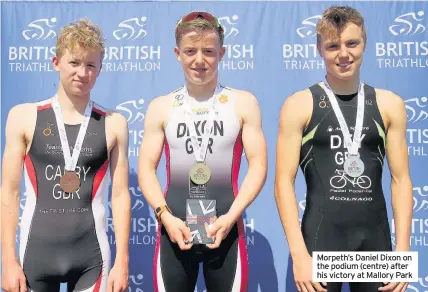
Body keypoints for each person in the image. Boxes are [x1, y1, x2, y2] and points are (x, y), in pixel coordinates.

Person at [274, 6, 412, 292]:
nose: (344, 54)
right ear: (319, 49)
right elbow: (283, 183)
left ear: (364, 43)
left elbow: (401, 180)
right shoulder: (299, 105)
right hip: (320, 241)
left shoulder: (390, 104)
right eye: (333, 46)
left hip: (375, 243)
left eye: (352, 43)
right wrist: (299, 255)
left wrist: (403, 251)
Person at [138, 11, 267, 292]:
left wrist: (231, 217)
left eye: (208, 51)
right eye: (190, 51)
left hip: (226, 229)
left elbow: (258, 166)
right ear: (177, 53)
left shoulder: (243, 103)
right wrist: (165, 217)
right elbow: (146, 169)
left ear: (222, 52)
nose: (199, 60)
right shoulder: (161, 106)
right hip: (175, 230)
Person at [1, 19, 130, 292]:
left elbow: (120, 195)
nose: (82, 73)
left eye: (90, 65)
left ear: (100, 69)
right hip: (34, 256)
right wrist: (8, 261)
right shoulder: (23, 117)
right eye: (74, 63)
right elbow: (9, 193)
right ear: (56, 62)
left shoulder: (114, 123)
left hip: (92, 260)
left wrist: (123, 261)